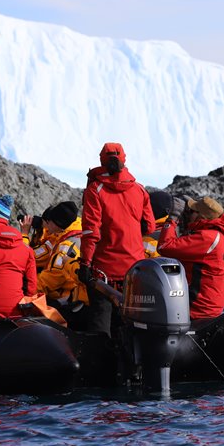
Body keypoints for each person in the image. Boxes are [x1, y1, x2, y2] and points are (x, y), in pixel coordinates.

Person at [78, 142, 155, 335]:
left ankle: (99, 363)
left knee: (100, 328)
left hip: (103, 272)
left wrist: (85, 264)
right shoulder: (139, 190)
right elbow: (150, 226)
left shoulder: (95, 190)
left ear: (102, 161)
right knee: (130, 327)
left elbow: (90, 231)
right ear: (124, 159)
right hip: (135, 271)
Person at [157, 196, 224, 319]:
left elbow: (164, 247)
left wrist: (172, 219)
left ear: (201, 217)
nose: (188, 213)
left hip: (197, 308)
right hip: (212, 307)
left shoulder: (207, 238)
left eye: (192, 211)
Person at [35, 201, 88, 320]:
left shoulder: (67, 245)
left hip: (68, 300)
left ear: (57, 224)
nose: (46, 227)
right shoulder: (68, 234)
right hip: (69, 295)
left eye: (48, 222)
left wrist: (28, 288)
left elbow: (53, 278)